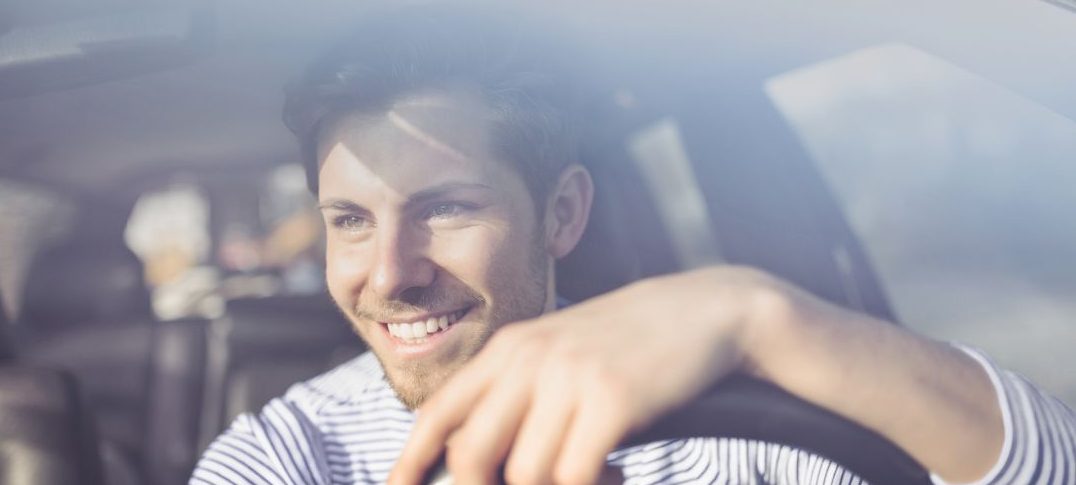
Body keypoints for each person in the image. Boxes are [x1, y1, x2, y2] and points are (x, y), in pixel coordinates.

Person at [190, 6, 1075, 485]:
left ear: (565, 212)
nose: (389, 273)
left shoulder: (747, 425)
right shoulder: (281, 460)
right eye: (350, 219)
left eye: (448, 209)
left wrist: (758, 314)